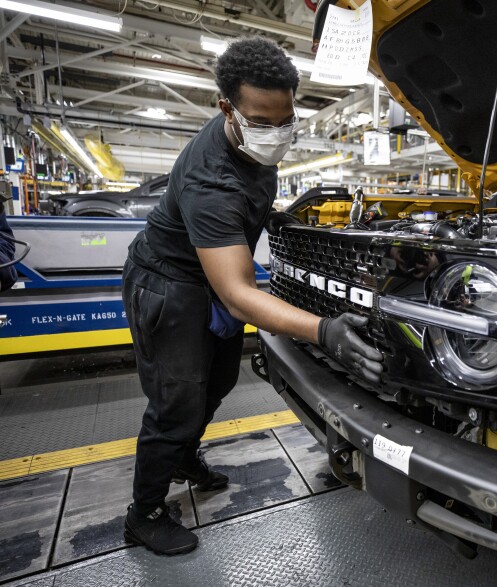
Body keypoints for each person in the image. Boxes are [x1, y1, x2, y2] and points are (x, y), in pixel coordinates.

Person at [121, 37, 383, 555]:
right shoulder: (211, 180)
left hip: (205, 277)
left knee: (216, 383)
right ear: (228, 110)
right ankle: (144, 512)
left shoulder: (252, 140)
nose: (277, 132)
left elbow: (250, 211)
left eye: (286, 119)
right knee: (176, 401)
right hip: (169, 283)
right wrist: (322, 330)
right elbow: (240, 295)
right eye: (262, 122)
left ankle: (182, 456)